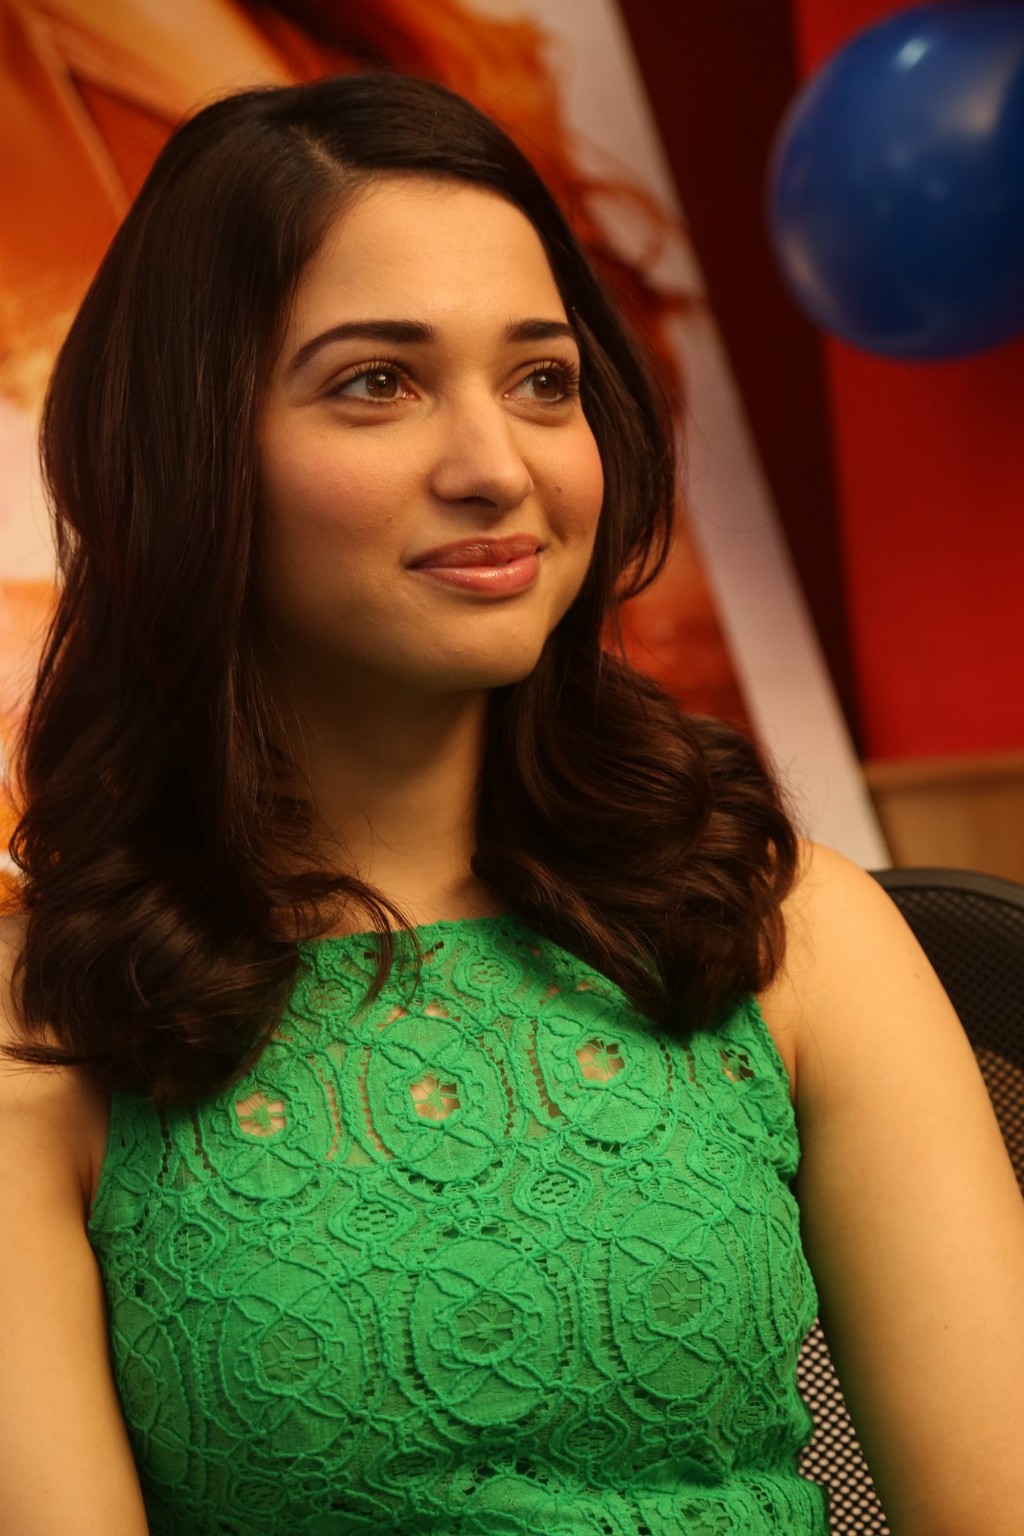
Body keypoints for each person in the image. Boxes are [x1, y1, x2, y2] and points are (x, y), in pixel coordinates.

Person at [0, 73, 1021, 1536]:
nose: (498, 468)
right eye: (377, 382)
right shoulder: (46, 1023)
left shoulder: (793, 930)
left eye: (544, 381)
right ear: (184, 452)